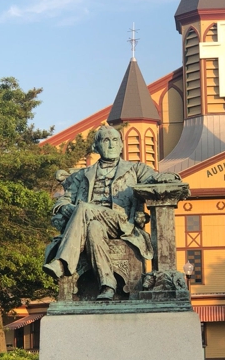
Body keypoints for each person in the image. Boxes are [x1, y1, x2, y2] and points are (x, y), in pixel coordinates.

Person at [43, 125, 180, 300]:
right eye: (106, 140)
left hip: (120, 222)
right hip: (90, 223)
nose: (111, 145)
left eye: (115, 140)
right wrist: (69, 208)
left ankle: (62, 262)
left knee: (84, 208)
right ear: (96, 147)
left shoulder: (135, 168)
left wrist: (169, 178)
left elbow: (154, 178)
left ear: (122, 145)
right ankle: (107, 284)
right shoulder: (83, 174)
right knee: (93, 227)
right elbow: (63, 200)